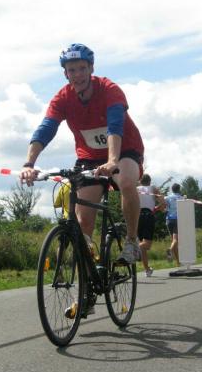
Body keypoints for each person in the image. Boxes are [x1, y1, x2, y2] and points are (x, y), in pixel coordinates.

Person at [21, 43, 144, 264]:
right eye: (72, 70)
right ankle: (86, 271)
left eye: (82, 68)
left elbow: (114, 127)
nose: (77, 75)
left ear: (91, 69)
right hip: (90, 156)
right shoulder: (63, 98)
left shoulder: (109, 89)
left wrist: (112, 160)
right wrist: (29, 164)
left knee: (126, 182)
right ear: (65, 74)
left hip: (124, 149)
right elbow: (46, 129)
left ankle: (132, 241)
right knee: (83, 221)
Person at [137, 174, 165, 277]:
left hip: (137, 216)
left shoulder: (136, 189)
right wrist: (158, 208)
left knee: (143, 246)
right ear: (150, 181)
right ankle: (132, 248)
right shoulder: (153, 188)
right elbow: (162, 203)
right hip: (148, 215)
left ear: (140, 181)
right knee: (147, 245)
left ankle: (147, 269)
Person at [165, 183, 185, 266]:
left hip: (169, 219)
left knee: (174, 241)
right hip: (177, 219)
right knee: (176, 240)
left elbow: (164, 205)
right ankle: (170, 250)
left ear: (172, 189)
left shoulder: (167, 197)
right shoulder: (182, 198)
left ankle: (178, 262)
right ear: (179, 189)